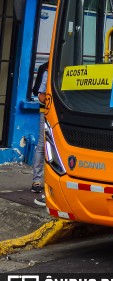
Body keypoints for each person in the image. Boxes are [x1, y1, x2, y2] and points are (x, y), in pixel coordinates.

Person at [31, 61, 48, 206]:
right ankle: (37, 180)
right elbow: (41, 96)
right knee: (42, 145)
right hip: (47, 112)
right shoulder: (48, 69)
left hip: (63, 113)